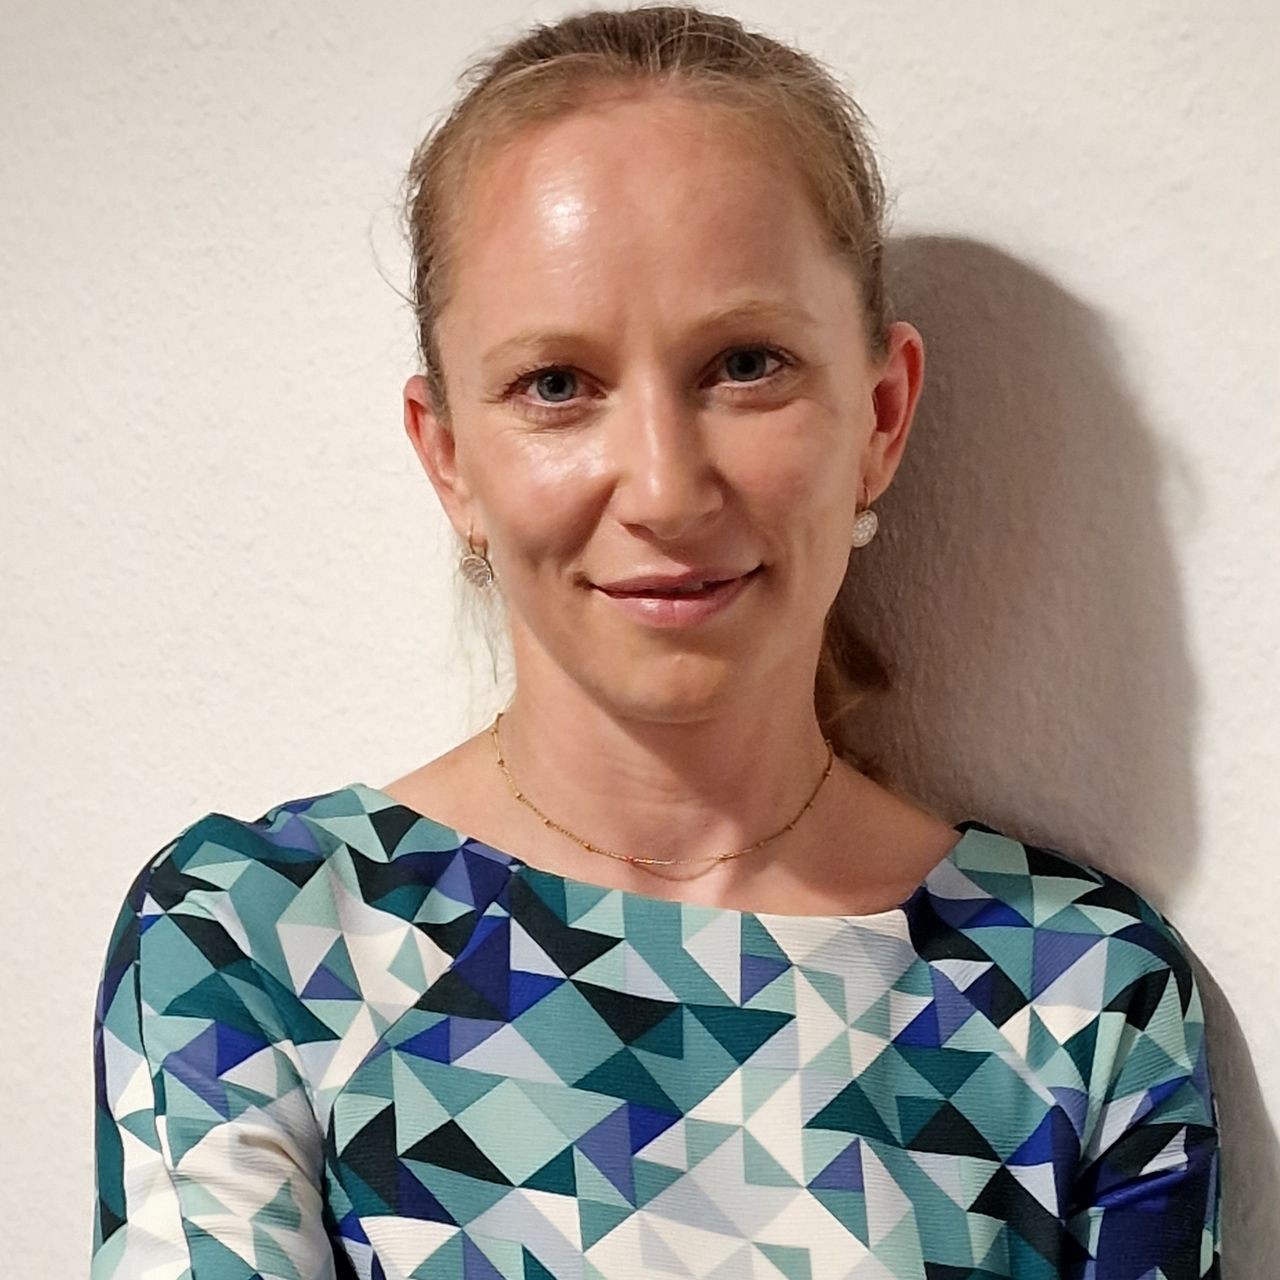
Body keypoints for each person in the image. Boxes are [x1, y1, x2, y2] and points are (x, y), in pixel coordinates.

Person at [91, 5, 1220, 1276]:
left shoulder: (1076, 990)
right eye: (555, 385)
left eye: (743, 364)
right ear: (449, 458)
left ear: (879, 415)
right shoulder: (259, 939)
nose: (665, 489)